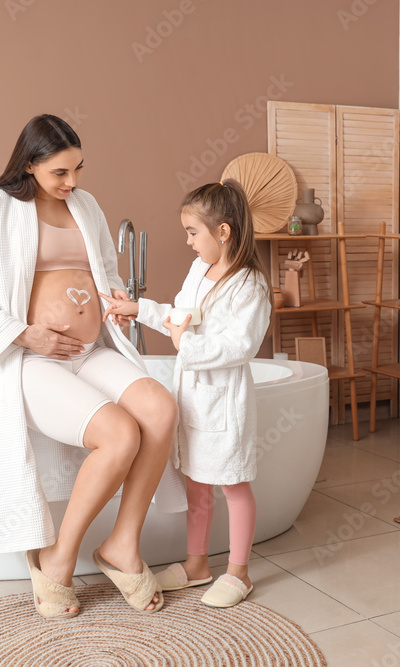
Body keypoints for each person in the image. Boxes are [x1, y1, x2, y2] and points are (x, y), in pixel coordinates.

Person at [0, 114, 185, 619]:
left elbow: (102, 271)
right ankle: (58, 559)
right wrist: (23, 333)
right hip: (29, 358)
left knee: (160, 410)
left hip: (89, 352)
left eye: (78, 168)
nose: (72, 182)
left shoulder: (86, 205)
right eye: (60, 173)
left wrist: (114, 297)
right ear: (30, 165)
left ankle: (122, 543)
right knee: (119, 435)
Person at [99, 179, 271, 608]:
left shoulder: (249, 285)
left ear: (224, 232)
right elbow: (181, 315)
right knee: (197, 484)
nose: (189, 242)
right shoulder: (200, 271)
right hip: (192, 397)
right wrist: (137, 311)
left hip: (225, 402)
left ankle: (239, 571)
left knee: (233, 484)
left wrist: (185, 343)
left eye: (194, 232)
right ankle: (197, 564)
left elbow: (240, 346)